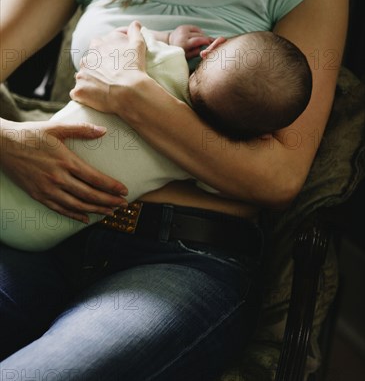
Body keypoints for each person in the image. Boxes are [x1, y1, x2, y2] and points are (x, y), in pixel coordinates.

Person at [0, 0, 350, 381]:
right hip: (44, 230)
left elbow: (278, 177)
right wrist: (9, 139)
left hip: (179, 259)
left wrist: (132, 92)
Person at [1, 26, 312, 251]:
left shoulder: (162, 60)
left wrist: (168, 38)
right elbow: (235, 196)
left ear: (212, 47)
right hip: (37, 235)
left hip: (18, 173)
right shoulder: (195, 163)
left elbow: (118, 38)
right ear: (262, 135)